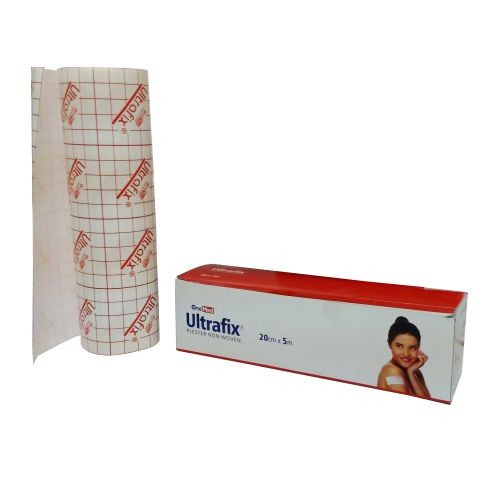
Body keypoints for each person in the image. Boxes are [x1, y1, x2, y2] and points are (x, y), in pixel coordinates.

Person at [377, 316, 431, 398]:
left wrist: (411, 373)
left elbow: (428, 401)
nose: (406, 354)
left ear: (418, 348)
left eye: (412, 348)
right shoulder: (392, 371)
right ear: (389, 344)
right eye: (399, 346)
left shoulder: (416, 372)